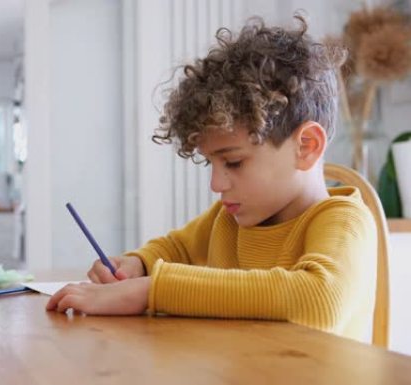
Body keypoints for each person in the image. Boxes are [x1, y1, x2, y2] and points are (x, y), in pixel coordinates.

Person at [46, 15, 378, 342]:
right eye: (211, 164)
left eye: (233, 162)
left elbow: (318, 299)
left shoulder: (343, 221)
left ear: (306, 146)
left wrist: (152, 291)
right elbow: (174, 248)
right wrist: (138, 265)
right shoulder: (228, 219)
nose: (216, 185)